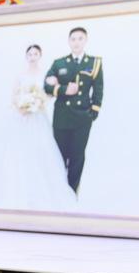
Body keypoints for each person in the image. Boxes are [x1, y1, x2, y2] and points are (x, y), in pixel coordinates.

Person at [0, 44, 76, 211]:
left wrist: (37, 103)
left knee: (41, 150)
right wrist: (22, 106)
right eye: (30, 54)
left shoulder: (46, 74)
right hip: (22, 118)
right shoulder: (20, 75)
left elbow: (49, 94)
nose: (32, 56)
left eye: (35, 54)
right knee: (18, 152)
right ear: (26, 56)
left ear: (40, 56)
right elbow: (14, 95)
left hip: (38, 117)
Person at [44, 26, 104, 193]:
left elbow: (98, 89)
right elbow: (46, 86)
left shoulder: (94, 63)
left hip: (82, 118)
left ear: (85, 41)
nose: (76, 42)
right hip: (62, 117)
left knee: (77, 156)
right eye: (73, 39)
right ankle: (59, 191)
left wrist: (93, 112)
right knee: (59, 156)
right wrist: (64, 90)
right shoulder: (59, 63)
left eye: (80, 38)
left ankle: (71, 192)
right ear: (69, 42)